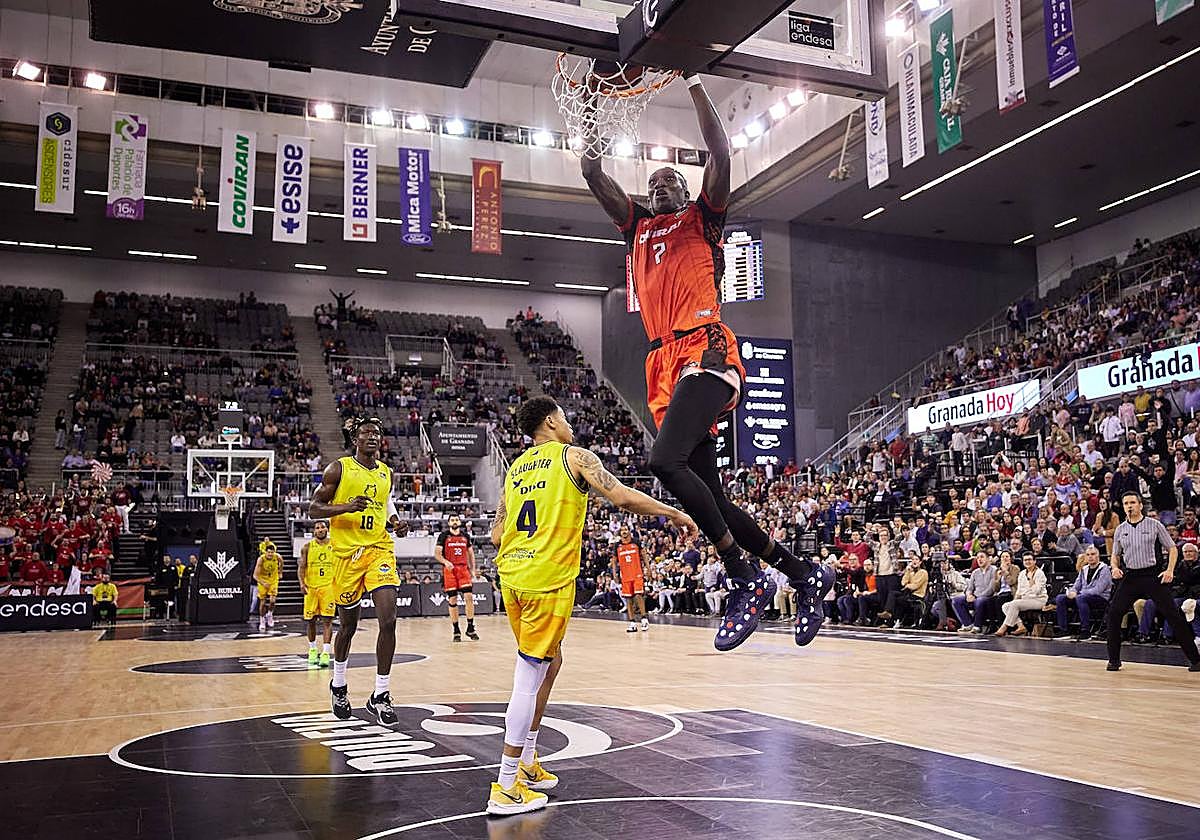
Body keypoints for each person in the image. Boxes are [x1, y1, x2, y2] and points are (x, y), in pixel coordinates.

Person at [580, 72, 827, 652]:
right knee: (711, 496)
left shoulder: (703, 221)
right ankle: (801, 573)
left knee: (663, 461)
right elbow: (592, 172)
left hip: (705, 348)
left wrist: (691, 81)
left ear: (687, 193)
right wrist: (591, 110)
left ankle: (744, 578)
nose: (662, 186)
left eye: (672, 180)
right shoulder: (636, 225)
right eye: (655, 181)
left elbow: (720, 151)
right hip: (664, 362)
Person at [485, 396, 696, 816]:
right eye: (564, 417)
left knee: (551, 661)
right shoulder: (575, 456)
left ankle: (527, 761)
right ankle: (505, 785)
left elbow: (496, 535)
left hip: (512, 577)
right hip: (545, 579)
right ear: (551, 421)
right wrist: (673, 512)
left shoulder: (514, 471)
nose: (569, 423)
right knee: (528, 676)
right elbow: (621, 497)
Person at [309, 417, 411, 725]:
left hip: (378, 549)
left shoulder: (385, 472)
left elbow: (386, 502)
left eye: (377, 434)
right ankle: (339, 684)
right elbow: (314, 508)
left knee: (389, 620)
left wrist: (395, 522)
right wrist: (346, 507)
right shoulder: (337, 469)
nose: (373, 437)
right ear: (356, 439)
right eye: (366, 433)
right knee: (349, 627)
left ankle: (381, 693)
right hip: (345, 556)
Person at [1105, 491, 1200, 672]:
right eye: (1126, 503)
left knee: (1174, 615)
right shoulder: (1120, 529)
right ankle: (1114, 660)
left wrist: (1169, 570)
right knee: (1114, 613)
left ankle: (1196, 660)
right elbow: (1115, 555)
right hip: (1131, 576)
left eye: (1133, 502)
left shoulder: (1155, 525)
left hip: (1152, 576)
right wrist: (1114, 568)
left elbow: (1172, 548)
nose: (1129, 506)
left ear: (1140, 505)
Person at [297, 521, 335, 667]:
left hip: (328, 587)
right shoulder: (307, 547)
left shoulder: (335, 545)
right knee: (310, 621)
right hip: (311, 588)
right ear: (314, 531)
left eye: (322, 527)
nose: (320, 530)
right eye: (317, 528)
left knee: (327, 621)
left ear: (327, 529)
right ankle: (313, 649)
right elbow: (301, 567)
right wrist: (301, 583)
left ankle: (325, 653)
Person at [1053, 546, 1112, 640]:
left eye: (1093, 554)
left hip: (1100, 598)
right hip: (1082, 597)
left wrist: (1079, 594)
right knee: (1061, 598)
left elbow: (1098, 590)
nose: (1090, 557)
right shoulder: (1084, 569)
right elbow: (1077, 585)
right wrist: (1072, 592)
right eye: (1088, 555)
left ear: (1098, 556)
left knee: (1081, 598)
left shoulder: (1104, 569)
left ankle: (1085, 630)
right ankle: (1063, 630)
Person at [436, 515, 478, 642]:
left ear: (460, 522)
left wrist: (473, 570)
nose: (455, 522)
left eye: (456, 520)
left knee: (469, 597)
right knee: (453, 598)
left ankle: (470, 627)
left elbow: (471, 554)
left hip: (463, 569)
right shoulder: (443, 536)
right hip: (450, 570)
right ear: (449, 523)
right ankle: (456, 630)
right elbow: (437, 554)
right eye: (452, 520)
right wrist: (445, 562)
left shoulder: (465, 536)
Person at [996, 553, 1048, 636]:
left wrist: (1031, 582)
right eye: (1025, 560)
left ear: (1034, 561)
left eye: (1029, 560)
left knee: (1014, 604)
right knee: (1006, 606)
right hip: (1025, 600)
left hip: (1038, 600)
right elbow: (1019, 591)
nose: (1027, 562)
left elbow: (1036, 591)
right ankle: (1021, 625)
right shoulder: (1022, 573)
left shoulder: (1039, 573)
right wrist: (1014, 600)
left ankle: (1004, 627)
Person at [613, 525, 649, 632]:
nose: (624, 532)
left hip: (637, 573)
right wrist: (615, 574)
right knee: (628, 599)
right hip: (625, 576)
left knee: (639, 596)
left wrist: (648, 569)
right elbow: (614, 561)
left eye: (626, 529)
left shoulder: (636, 542)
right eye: (622, 530)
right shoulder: (617, 546)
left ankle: (644, 619)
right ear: (620, 533)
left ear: (629, 531)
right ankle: (632, 622)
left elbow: (644, 555)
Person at [253, 540, 283, 632]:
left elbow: (281, 563)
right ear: (265, 552)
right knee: (262, 602)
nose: (270, 554)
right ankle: (262, 619)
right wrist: (263, 583)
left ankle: (269, 614)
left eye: (272, 552)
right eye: (268, 552)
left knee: (272, 600)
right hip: (262, 580)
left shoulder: (277, 557)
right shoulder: (261, 559)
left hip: (273, 580)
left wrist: (280, 572)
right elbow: (255, 575)